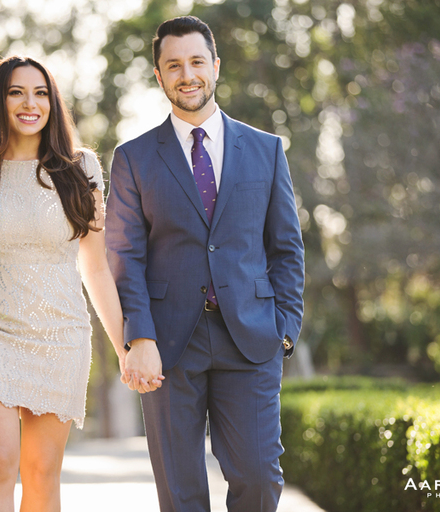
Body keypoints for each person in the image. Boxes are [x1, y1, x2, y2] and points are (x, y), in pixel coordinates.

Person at [0, 55, 159, 512]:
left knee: (41, 474)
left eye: (41, 93)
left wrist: (126, 347)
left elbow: (95, 269)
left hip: (60, 336)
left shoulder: (81, 168)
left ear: (52, 103)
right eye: (16, 92)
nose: (30, 103)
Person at [105, 15, 305, 512]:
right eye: (173, 65)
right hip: (168, 344)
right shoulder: (132, 158)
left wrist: (285, 330)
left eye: (197, 61)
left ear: (215, 66)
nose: (187, 74)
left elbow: (286, 248)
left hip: (252, 338)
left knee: (259, 478)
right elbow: (124, 255)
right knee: (181, 492)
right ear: (158, 75)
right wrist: (139, 337)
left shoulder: (266, 150)